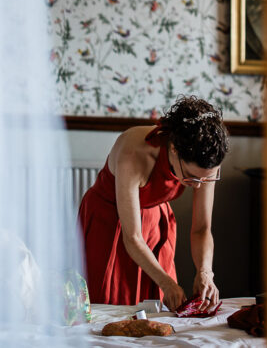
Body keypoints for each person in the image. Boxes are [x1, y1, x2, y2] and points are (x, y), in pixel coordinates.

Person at [77, 96, 230, 310]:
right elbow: (132, 238)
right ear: (174, 149)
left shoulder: (205, 161)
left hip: (154, 224)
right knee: (109, 308)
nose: (198, 186)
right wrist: (166, 281)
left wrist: (205, 272)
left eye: (208, 178)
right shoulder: (133, 153)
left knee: (158, 310)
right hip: (110, 223)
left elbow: (202, 228)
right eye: (191, 178)